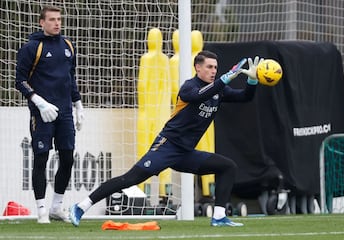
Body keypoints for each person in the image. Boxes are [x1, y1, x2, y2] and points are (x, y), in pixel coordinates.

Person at [70, 50, 262, 227]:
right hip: (167, 147)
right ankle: (81, 206)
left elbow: (245, 97)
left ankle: (219, 216)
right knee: (130, 179)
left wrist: (252, 81)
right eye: (209, 67)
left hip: (185, 153)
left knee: (228, 167)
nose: (213, 71)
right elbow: (200, 96)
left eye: (215, 68)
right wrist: (225, 78)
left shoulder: (218, 90)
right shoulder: (189, 86)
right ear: (197, 68)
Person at [15, 5, 84, 224]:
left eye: (59, 19)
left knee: (67, 158)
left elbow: (70, 78)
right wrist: (38, 101)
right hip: (42, 113)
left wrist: (78, 104)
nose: (57, 23)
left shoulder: (68, 46)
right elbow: (20, 81)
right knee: (41, 158)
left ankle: (56, 206)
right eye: (52, 19)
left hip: (64, 113)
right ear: (41, 22)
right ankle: (42, 210)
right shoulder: (31, 48)